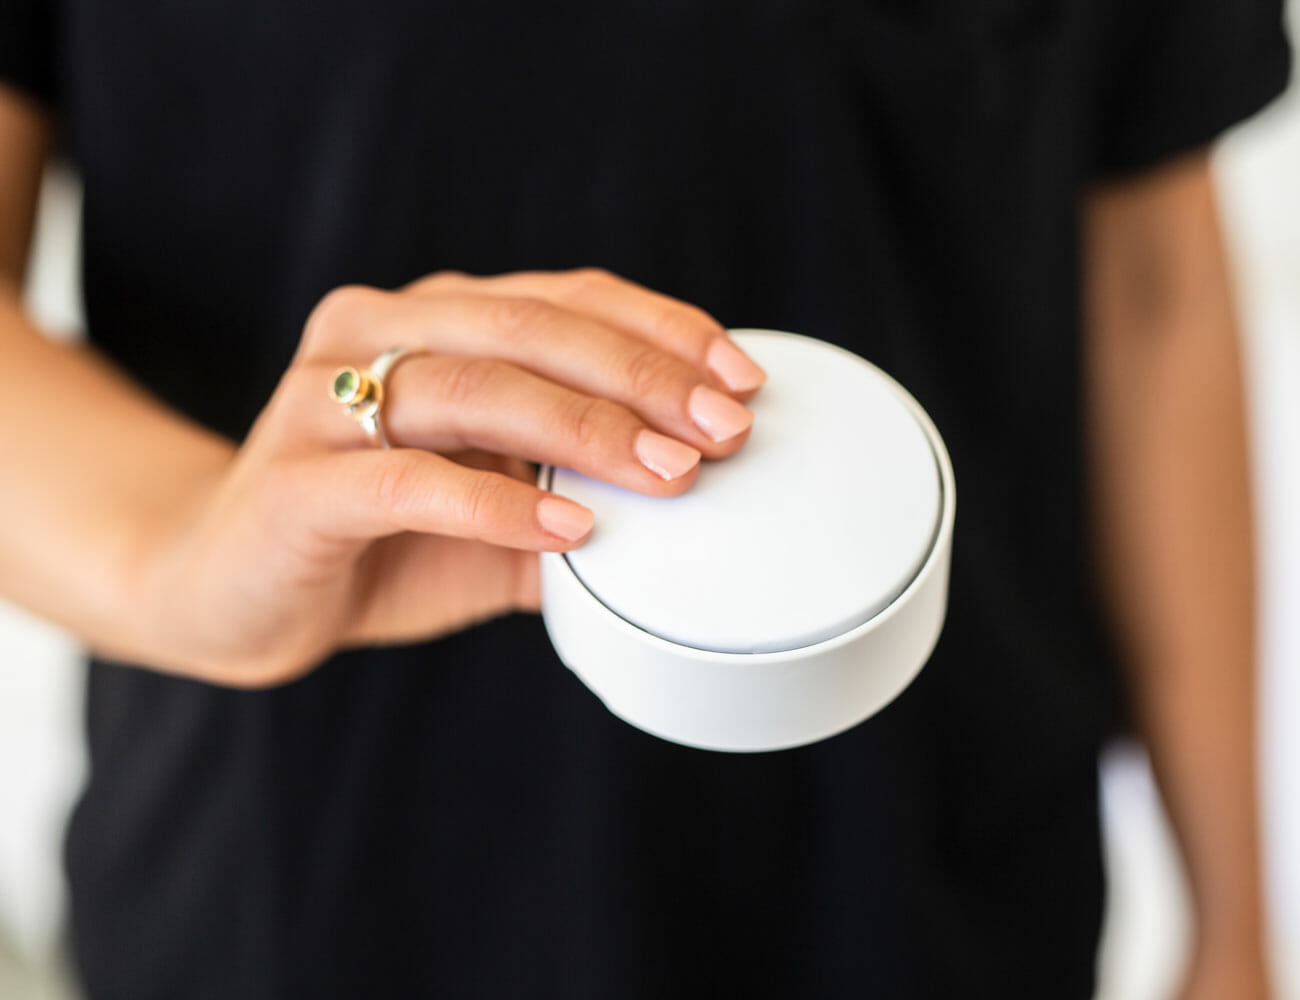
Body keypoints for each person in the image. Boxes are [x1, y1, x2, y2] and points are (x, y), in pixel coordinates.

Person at [0, 1, 1289, 997]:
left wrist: (1234, 922)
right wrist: (177, 543)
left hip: (935, 884)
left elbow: (1151, 287)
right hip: (296, 896)